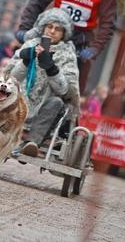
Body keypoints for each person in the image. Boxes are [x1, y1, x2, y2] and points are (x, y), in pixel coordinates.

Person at [8, 8, 80, 157]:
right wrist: (25, 61)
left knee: (56, 102)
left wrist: (52, 69)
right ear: (43, 27)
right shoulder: (30, 44)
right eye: (49, 27)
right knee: (7, 90)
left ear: (63, 33)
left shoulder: (67, 54)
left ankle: (30, 144)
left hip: (45, 109)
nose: (52, 31)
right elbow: (10, 78)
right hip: (19, 102)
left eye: (58, 29)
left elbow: (66, 91)